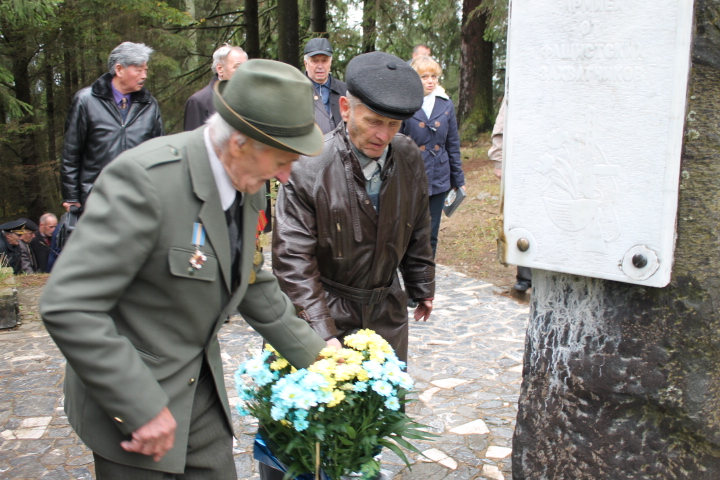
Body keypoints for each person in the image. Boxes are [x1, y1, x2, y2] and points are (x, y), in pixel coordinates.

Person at [40, 59, 339, 479]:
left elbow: (251, 279)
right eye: (283, 159)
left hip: (199, 397)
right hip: (132, 413)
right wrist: (139, 405)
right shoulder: (145, 181)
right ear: (239, 141)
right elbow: (68, 305)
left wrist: (316, 355)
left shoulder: (247, 180)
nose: (287, 177)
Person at [61, 42, 164, 214]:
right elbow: (71, 152)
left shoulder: (149, 104)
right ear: (119, 69)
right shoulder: (86, 101)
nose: (144, 75)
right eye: (138, 70)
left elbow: (158, 152)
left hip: (138, 198)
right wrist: (71, 197)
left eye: (146, 70)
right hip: (97, 198)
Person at [401, 55, 465, 257]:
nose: (430, 80)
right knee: (408, 231)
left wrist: (458, 179)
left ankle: (426, 278)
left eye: (434, 76)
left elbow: (452, 144)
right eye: (424, 76)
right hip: (410, 176)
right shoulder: (404, 103)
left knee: (431, 233)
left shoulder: (445, 105)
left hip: (438, 176)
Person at [488, 97, 532, 292]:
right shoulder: (519, 82)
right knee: (525, 218)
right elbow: (501, 127)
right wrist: (499, 160)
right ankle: (525, 276)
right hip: (523, 162)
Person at [184, 45, 248, 131]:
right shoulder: (199, 101)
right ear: (220, 68)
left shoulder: (248, 98)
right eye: (237, 67)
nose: (243, 72)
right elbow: (193, 141)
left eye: (246, 67)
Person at [303, 37, 347, 134]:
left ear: (330, 62)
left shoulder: (344, 89)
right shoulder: (296, 90)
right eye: (315, 61)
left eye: (324, 61)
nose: (320, 66)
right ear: (306, 63)